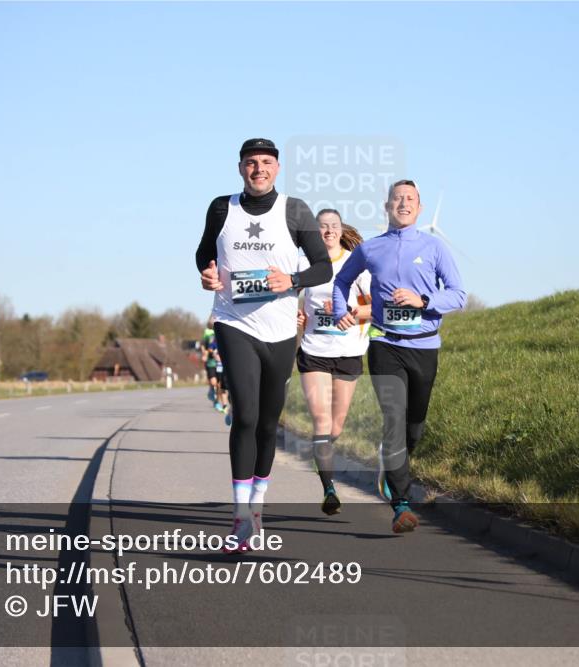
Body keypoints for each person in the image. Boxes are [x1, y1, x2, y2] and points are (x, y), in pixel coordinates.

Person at [196, 138, 332, 551]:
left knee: (270, 423)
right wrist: (206, 273)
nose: (259, 169)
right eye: (251, 163)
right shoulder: (222, 207)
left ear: (278, 168)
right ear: (240, 168)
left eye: (267, 162)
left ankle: (257, 509)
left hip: (280, 330)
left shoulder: (295, 210)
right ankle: (240, 520)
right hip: (234, 322)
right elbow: (203, 253)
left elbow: (323, 266)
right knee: (247, 415)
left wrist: (291, 281)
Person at [333, 180, 465, 534]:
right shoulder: (371, 249)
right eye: (397, 198)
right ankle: (401, 505)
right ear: (386, 206)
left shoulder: (434, 247)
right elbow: (341, 281)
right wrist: (339, 307)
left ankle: (392, 464)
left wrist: (424, 302)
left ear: (419, 208)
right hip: (384, 344)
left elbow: (458, 295)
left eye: (410, 199)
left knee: (414, 427)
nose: (403, 203)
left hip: (424, 345)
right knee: (394, 419)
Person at [295, 210, 372, 515]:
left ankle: (322, 452)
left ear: (341, 230)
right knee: (322, 422)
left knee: (336, 426)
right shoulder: (304, 263)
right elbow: (286, 296)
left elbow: (377, 305)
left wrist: (352, 313)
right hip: (314, 351)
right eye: (322, 227)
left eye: (333, 226)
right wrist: (295, 314)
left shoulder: (356, 263)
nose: (328, 231)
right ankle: (329, 489)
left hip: (349, 352)